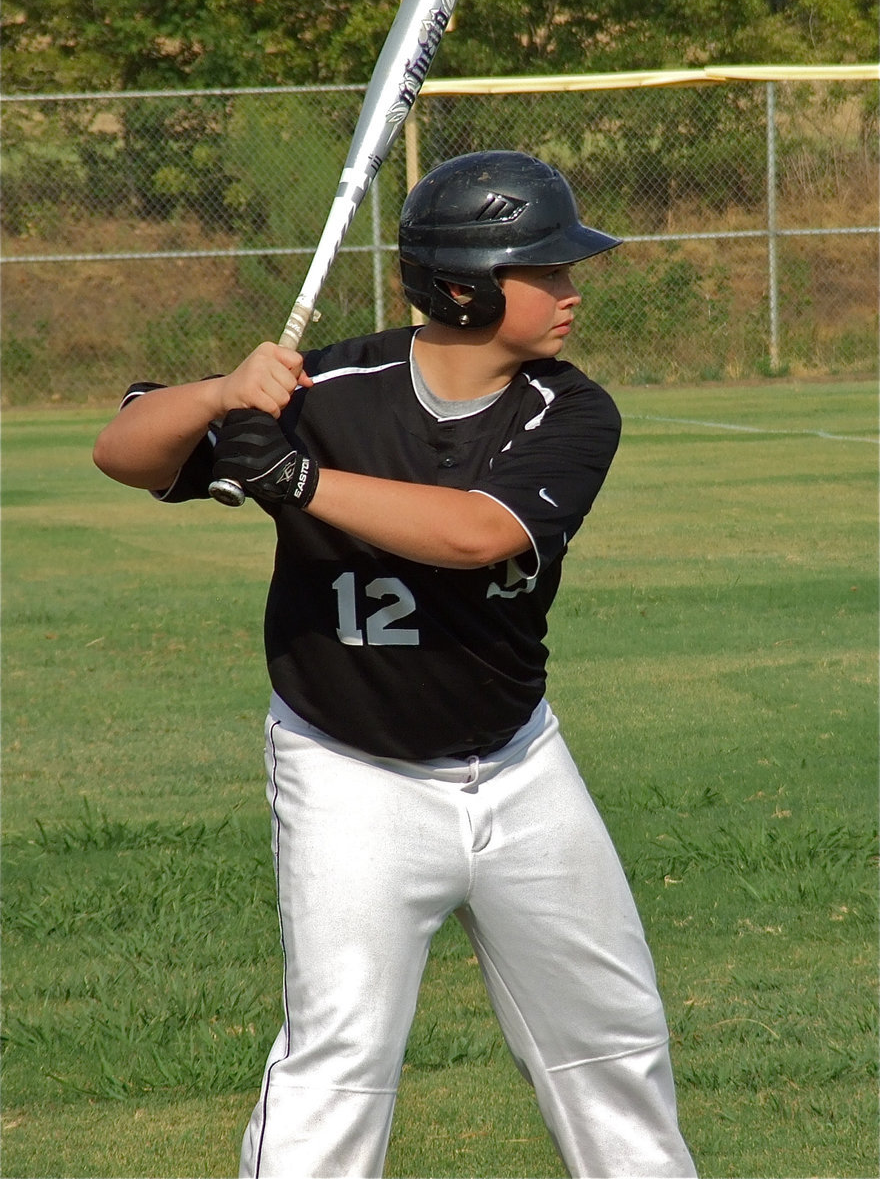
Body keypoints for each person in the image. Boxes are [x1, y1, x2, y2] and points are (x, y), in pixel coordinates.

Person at [93, 150, 697, 1179]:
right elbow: (124, 450)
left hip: (520, 766)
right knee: (340, 1056)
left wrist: (299, 480)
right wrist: (220, 392)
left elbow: (474, 534)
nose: (571, 290)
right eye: (545, 269)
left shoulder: (569, 409)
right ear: (464, 289)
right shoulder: (330, 389)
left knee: (613, 1040)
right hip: (349, 773)